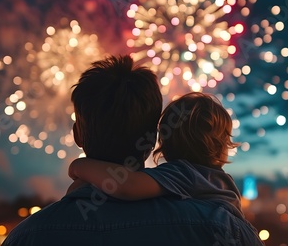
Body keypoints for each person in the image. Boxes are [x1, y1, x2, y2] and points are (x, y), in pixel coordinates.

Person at [3, 56, 263, 246]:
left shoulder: (28, 236)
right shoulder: (228, 230)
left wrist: (78, 167)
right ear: (152, 139)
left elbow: (126, 185)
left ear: (77, 135)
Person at [68, 92, 254, 225]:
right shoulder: (223, 182)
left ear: (165, 145)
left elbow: (127, 185)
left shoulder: (184, 173)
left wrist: (80, 166)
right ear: (222, 146)